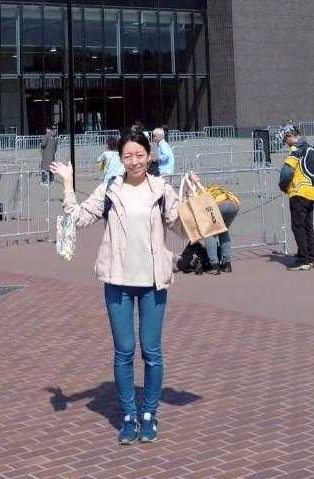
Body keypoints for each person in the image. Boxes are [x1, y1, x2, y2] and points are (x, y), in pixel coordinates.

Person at [51, 126, 193, 444]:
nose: (134, 161)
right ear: (120, 158)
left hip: (153, 282)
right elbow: (78, 217)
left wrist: (195, 201)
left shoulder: (161, 189)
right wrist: (68, 184)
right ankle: (129, 415)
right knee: (124, 351)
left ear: (149, 156)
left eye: (139, 155)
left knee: (152, 352)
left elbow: (183, 228)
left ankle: (149, 414)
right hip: (118, 281)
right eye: (128, 155)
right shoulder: (110, 189)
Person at [279, 124, 314, 270]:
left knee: (297, 226)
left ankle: (303, 260)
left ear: (290, 136)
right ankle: (310, 257)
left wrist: (283, 185)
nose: (286, 143)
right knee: (308, 226)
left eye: (286, 139)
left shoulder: (296, 149)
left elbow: (287, 171)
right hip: (311, 192)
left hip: (298, 192)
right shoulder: (310, 148)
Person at [201, 183, 240, 274]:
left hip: (219, 205)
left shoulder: (200, 192)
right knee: (224, 231)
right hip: (234, 204)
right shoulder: (216, 189)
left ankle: (214, 266)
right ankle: (227, 264)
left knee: (210, 234)